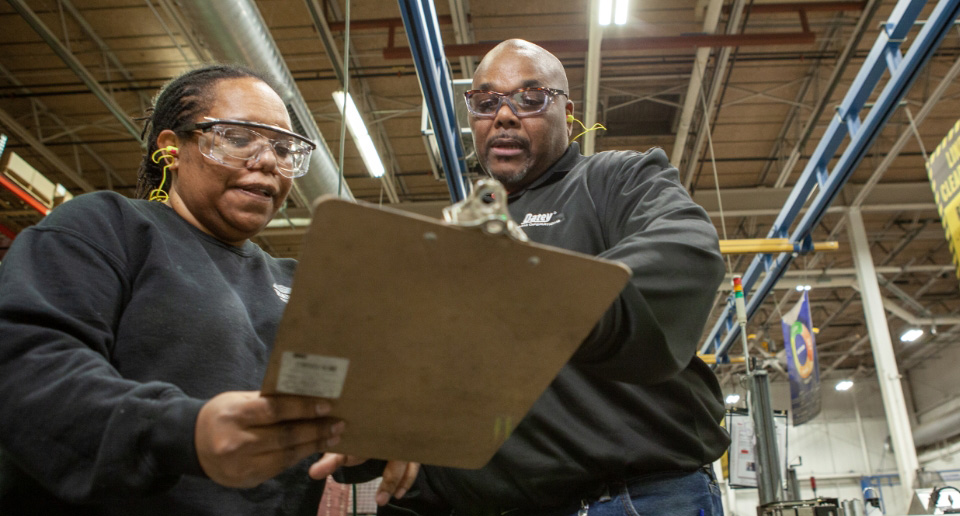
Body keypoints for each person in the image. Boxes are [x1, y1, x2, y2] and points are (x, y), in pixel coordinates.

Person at [0, 64, 414, 515]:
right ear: (172, 149)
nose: (268, 161)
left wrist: (373, 437)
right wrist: (185, 433)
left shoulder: (299, 284)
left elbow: (330, 416)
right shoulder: (107, 227)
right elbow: (26, 366)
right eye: (238, 138)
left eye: (284, 147)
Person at [361, 39, 730, 515]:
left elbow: (684, 249)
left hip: (634, 497)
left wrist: (551, 298)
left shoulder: (615, 180)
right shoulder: (459, 238)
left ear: (568, 111)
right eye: (486, 102)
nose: (505, 115)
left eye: (531, 98)